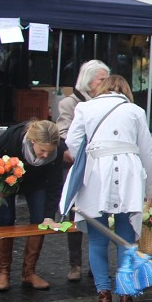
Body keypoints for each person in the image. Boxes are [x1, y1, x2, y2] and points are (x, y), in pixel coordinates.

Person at [62, 75, 152, 302]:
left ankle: (104, 297)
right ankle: (126, 294)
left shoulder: (84, 107)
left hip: (96, 175)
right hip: (129, 175)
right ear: (125, 90)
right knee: (127, 240)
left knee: (97, 240)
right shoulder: (135, 110)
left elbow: (72, 146)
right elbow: (148, 153)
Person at [0, 120, 66, 291]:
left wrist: (49, 214)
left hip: (36, 183)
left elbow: (55, 184)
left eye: (49, 151)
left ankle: (29, 272)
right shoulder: (13, 137)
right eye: (42, 150)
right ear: (33, 141)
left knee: (39, 221)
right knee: (6, 219)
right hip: (8, 179)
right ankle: (3, 272)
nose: (46, 155)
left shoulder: (57, 150)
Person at [56, 59, 110, 282]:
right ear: (89, 81)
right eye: (102, 79)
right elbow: (63, 133)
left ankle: (94, 263)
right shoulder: (70, 103)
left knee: (99, 217)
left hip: (101, 168)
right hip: (78, 167)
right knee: (75, 215)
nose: (106, 83)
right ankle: (75, 263)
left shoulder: (108, 102)